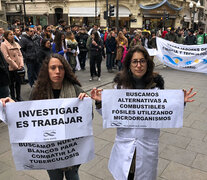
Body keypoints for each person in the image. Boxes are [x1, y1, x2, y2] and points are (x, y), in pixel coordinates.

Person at [90, 45, 196, 180]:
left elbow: (164, 113)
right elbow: (111, 115)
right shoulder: (119, 86)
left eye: (142, 61)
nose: (138, 65)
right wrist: (100, 102)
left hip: (147, 145)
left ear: (147, 63)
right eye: (135, 61)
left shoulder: (156, 87)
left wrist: (180, 103)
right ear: (129, 64)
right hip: (125, 143)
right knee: (126, 174)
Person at [0, 53, 88, 180]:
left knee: (73, 176)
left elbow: (87, 119)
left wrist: (85, 104)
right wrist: (12, 106)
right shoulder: (37, 90)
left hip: (71, 149)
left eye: (61, 68)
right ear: (47, 70)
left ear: (65, 70)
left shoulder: (76, 89)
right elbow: (27, 115)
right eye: (53, 68)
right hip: (49, 150)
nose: (57, 71)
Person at [1, 30, 24, 101]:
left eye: (13, 34)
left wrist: (21, 64)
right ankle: (13, 97)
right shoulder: (3, 45)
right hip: (11, 67)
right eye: (10, 34)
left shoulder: (16, 44)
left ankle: (18, 96)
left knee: (18, 82)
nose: (12, 36)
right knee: (11, 84)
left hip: (18, 67)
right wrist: (15, 66)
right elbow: (6, 57)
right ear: (6, 36)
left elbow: (20, 55)